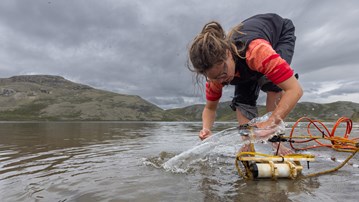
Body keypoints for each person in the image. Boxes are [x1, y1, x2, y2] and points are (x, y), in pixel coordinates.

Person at [187, 13, 303, 155]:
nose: (222, 81)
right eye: (215, 78)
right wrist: (206, 129)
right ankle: (248, 144)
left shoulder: (256, 51)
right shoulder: (216, 77)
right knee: (242, 98)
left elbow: (294, 90)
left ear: (228, 54)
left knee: (271, 83)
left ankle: (276, 143)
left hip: (279, 34)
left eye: (223, 75)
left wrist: (270, 123)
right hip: (243, 60)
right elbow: (210, 108)